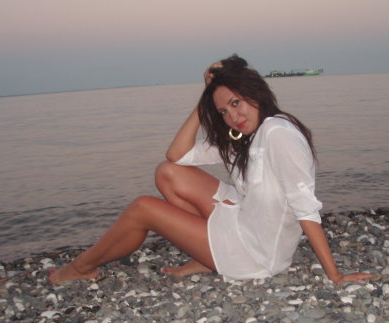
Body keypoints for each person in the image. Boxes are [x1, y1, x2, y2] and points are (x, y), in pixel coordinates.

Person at [50, 55, 371, 285]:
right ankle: (205, 256)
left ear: (254, 92)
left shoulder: (277, 133)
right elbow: (177, 155)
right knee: (167, 173)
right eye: (223, 111)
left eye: (236, 103)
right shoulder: (246, 135)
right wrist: (206, 97)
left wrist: (335, 275)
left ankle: (81, 268)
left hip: (256, 254)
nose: (233, 117)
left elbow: (305, 206)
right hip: (243, 221)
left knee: (142, 208)